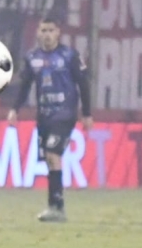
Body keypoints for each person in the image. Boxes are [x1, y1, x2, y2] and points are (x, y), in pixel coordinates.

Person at [8, 16, 92, 222]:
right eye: (43, 30)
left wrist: (87, 113)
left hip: (65, 114)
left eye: (51, 30)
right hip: (44, 116)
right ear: (38, 33)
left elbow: (83, 84)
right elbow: (25, 86)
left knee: (53, 154)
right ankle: (54, 206)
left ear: (58, 33)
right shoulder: (32, 58)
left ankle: (57, 207)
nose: (47, 35)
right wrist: (14, 109)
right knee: (49, 158)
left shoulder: (69, 56)